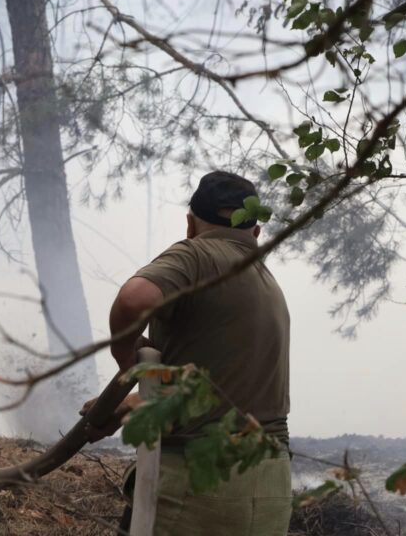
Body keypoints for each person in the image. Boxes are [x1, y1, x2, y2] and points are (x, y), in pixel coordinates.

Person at [85, 170, 291, 535]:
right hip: (271, 491)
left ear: (190, 223)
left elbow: (134, 299)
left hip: (197, 486)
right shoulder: (266, 283)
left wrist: (127, 363)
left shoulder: (197, 254)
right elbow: (219, 388)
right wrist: (130, 403)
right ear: (255, 233)